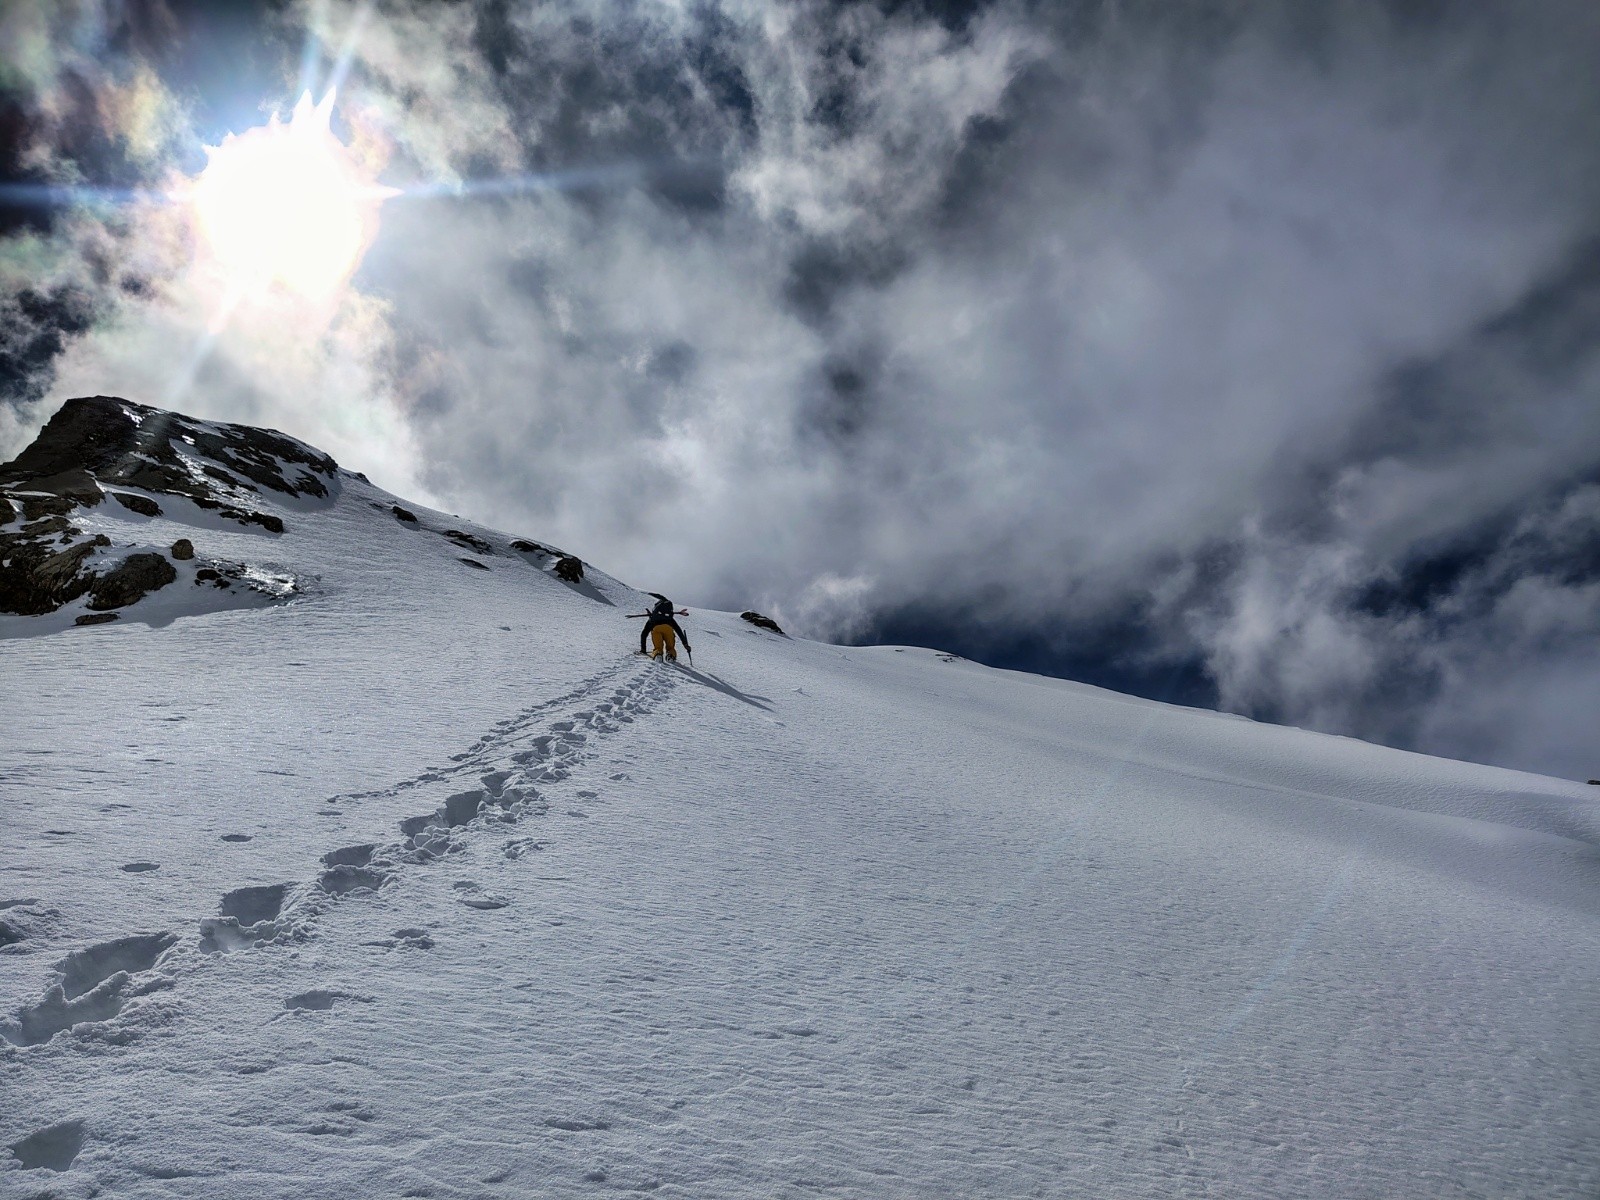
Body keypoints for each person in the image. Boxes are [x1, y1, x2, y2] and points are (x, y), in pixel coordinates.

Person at [638, 595, 691, 662]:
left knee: (658, 647)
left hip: (656, 629)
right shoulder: (670, 619)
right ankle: (671, 655)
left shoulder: (652, 618)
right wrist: (685, 644)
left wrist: (643, 649)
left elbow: (644, 634)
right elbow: (678, 630)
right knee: (670, 647)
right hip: (668, 629)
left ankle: (658, 654)